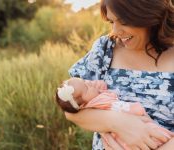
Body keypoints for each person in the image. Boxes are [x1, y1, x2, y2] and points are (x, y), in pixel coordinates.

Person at [64, 0, 174, 149]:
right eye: (111, 22)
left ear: (148, 14)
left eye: (123, 21)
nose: (115, 31)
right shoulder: (105, 49)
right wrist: (118, 123)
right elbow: (71, 110)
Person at [55, 77, 173, 150]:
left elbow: (102, 86)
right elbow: (119, 108)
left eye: (85, 81)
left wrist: (92, 86)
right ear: (81, 105)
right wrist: (136, 110)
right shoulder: (98, 102)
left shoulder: (93, 97)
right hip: (125, 137)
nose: (89, 84)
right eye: (86, 87)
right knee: (157, 136)